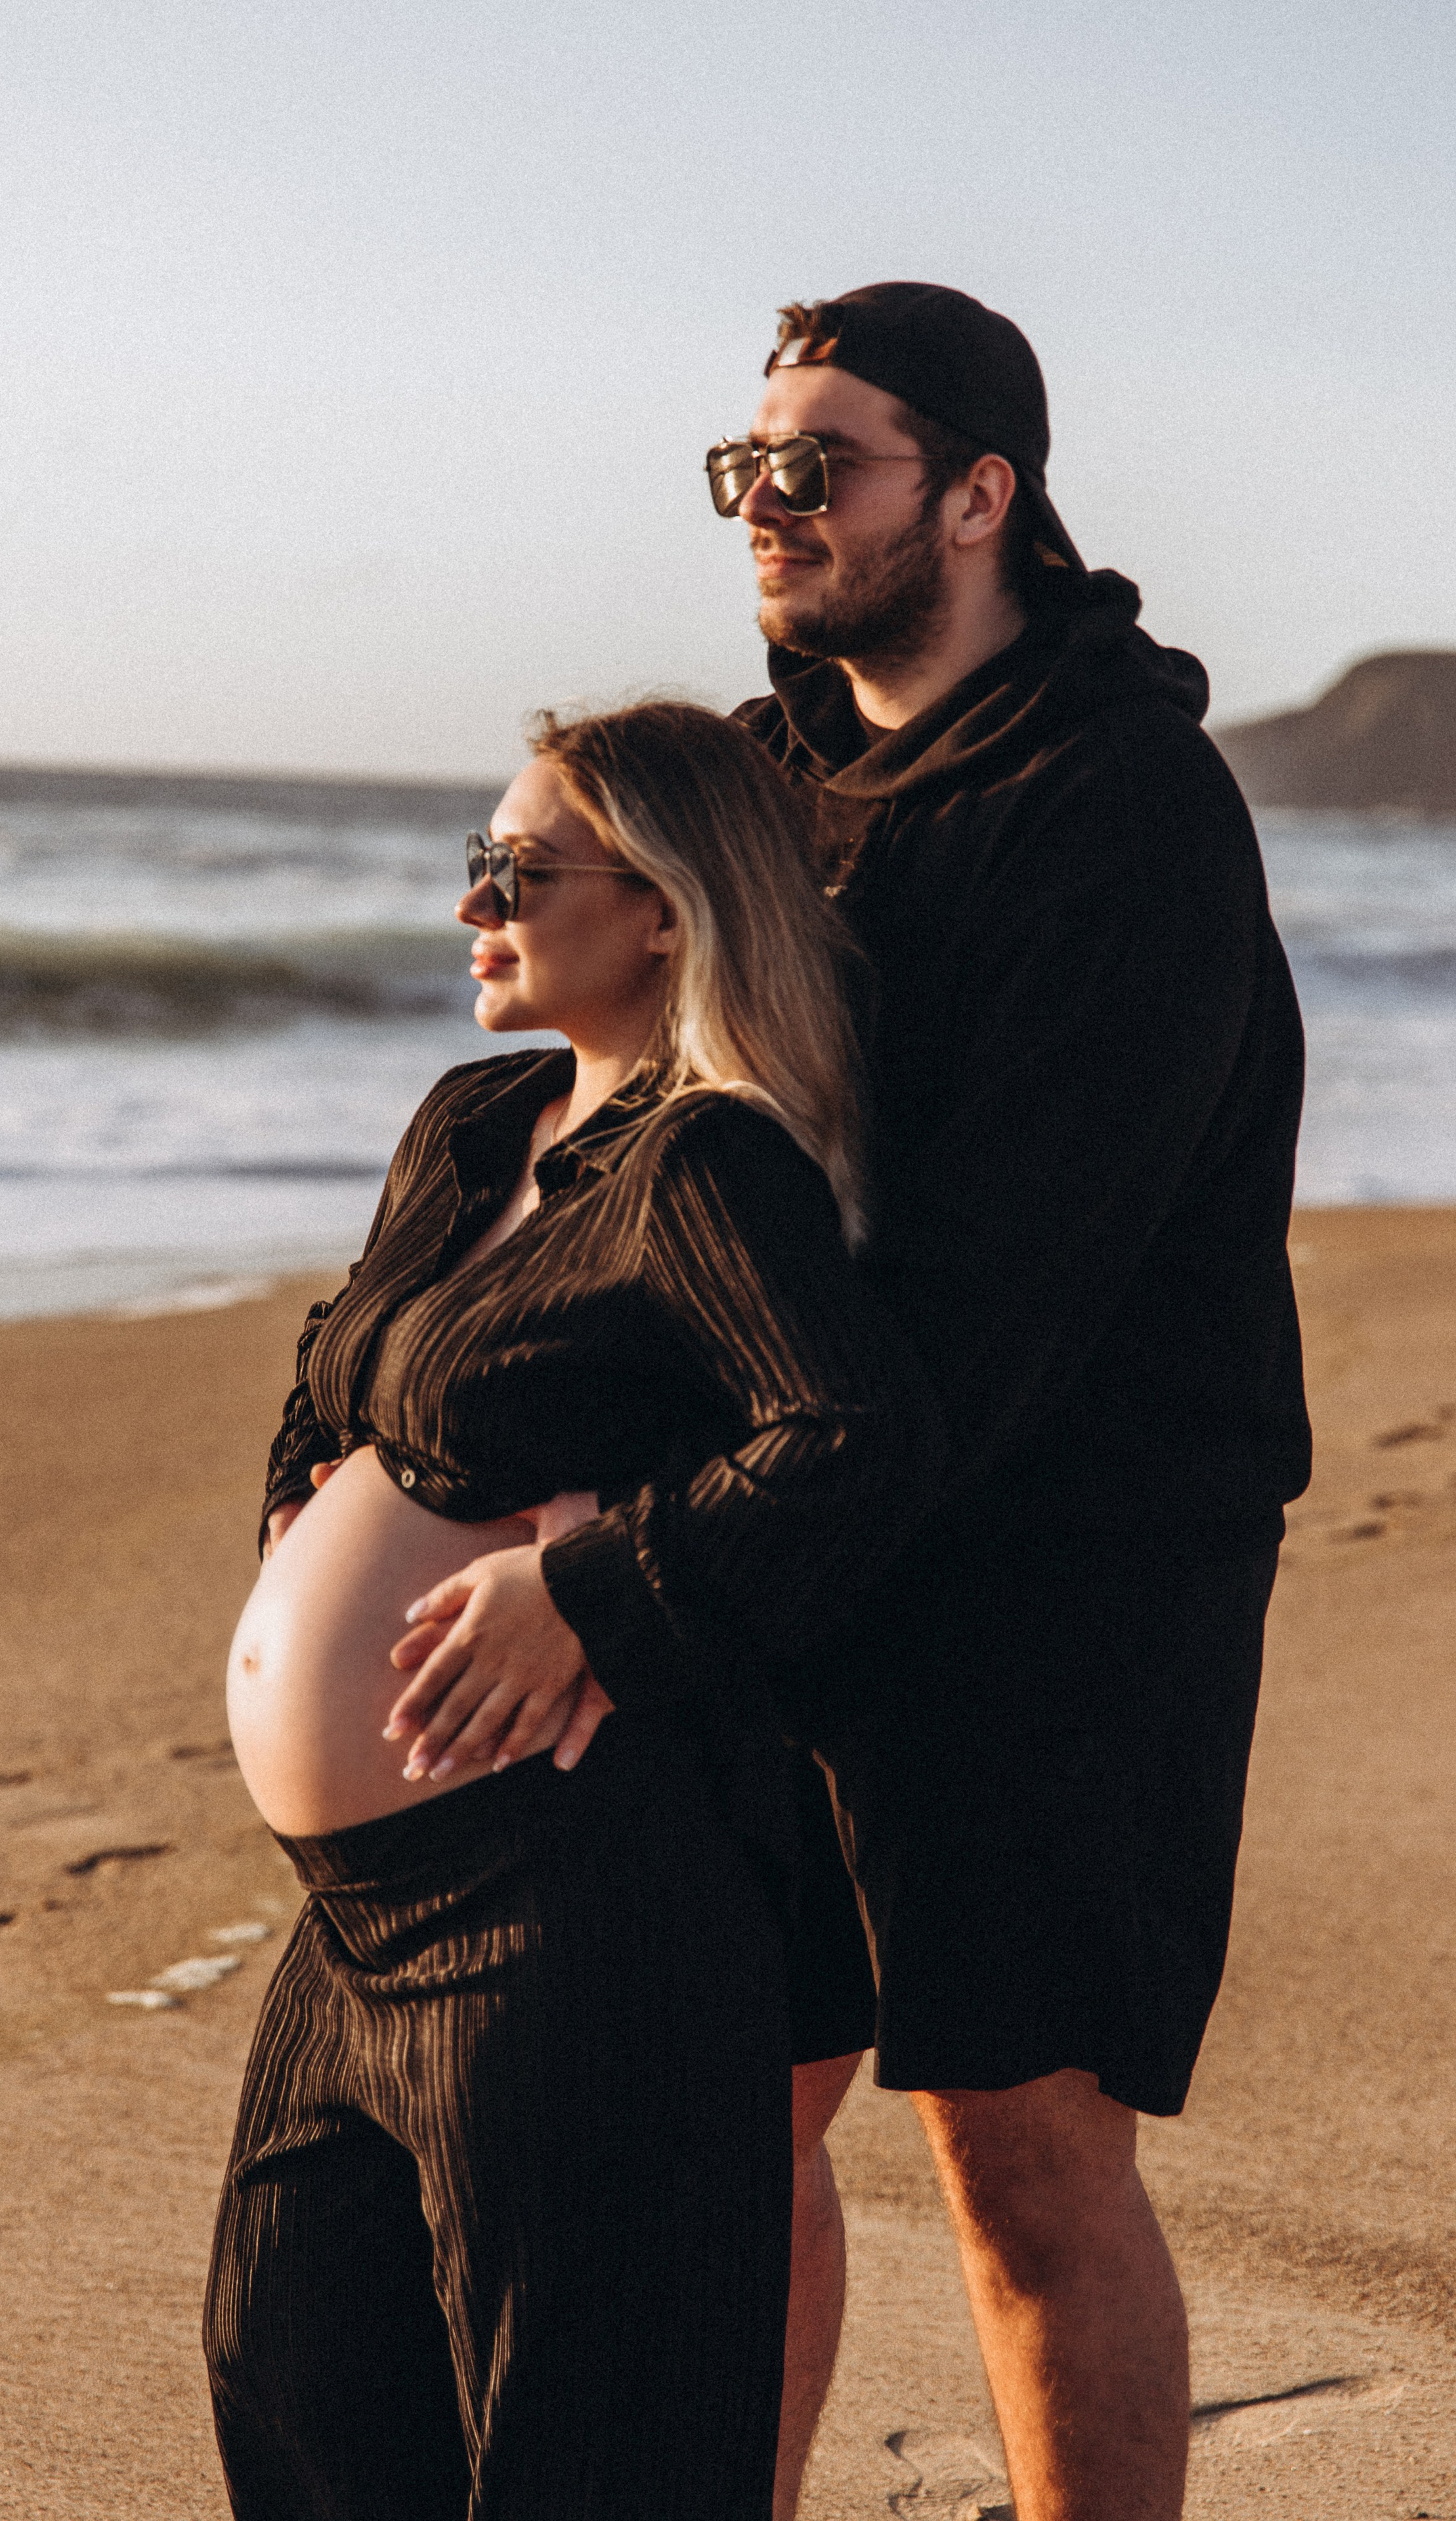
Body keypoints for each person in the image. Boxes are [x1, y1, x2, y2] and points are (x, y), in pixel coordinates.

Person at [406, 286, 1312, 2521]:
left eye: (818, 467)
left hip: (1071, 1563)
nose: (765, 509)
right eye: (745, 470)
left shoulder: (1128, 810)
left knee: (1020, 2141)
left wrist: (640, 1564)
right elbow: (658, 1108)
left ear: (982, 495)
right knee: (733, 2098)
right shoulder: (767, 773)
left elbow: (998, 1309)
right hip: (800, 1524)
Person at [203, 700, 941, 2521]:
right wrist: (306, 1496)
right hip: (353, 1923)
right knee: (295, 2382)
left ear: (670, 910)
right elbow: (343, 1361)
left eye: (519, 873)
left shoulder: (705, 1167)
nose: (477, 907)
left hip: (561, 1898)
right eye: (478, 865)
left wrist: (595, 1595)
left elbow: (856, 1436)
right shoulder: (476, 1125)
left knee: (575, 2451)